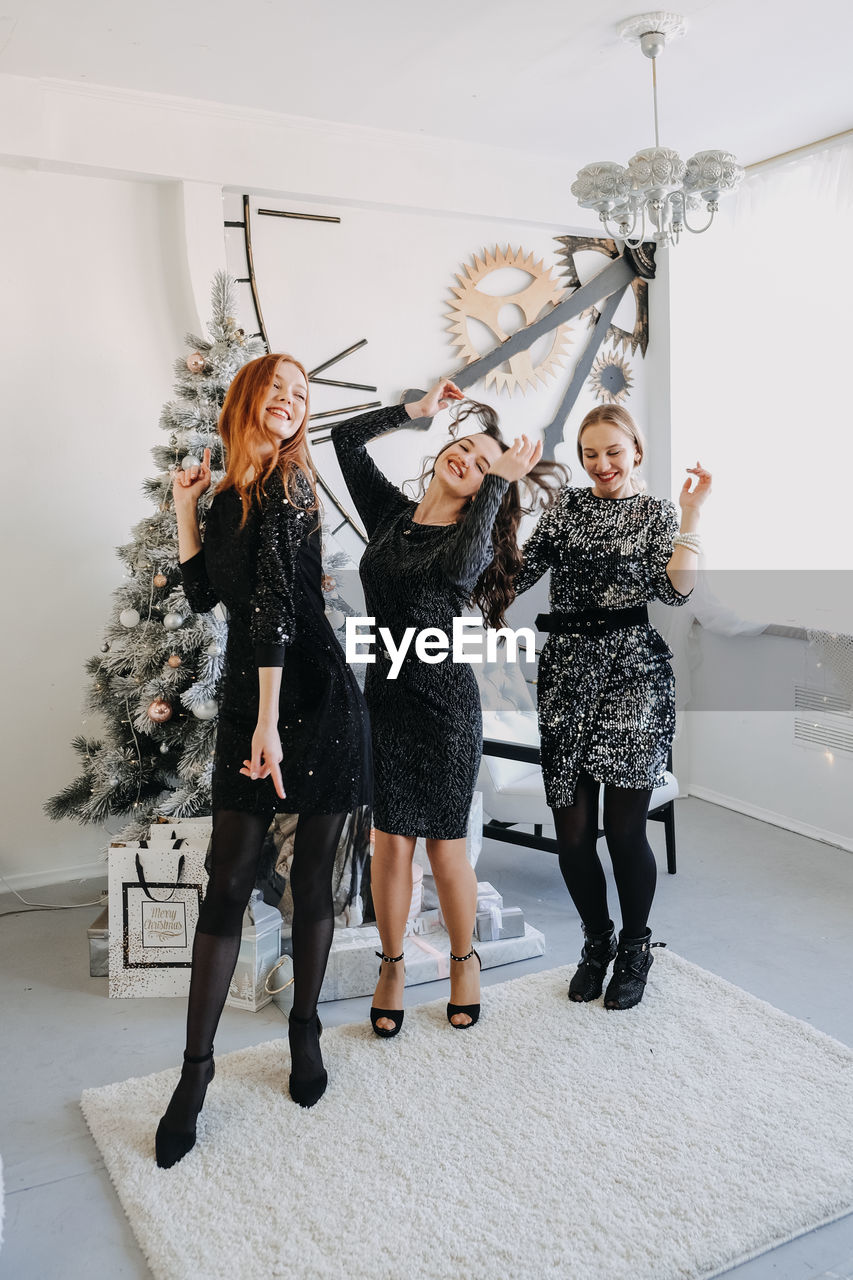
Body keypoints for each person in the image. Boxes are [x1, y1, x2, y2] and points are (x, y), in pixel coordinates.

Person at [156, 353, 372, 1168]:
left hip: (308, 696)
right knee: (229, 883)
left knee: (310, 880)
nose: (290, 403)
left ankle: (304, 1031)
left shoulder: (289, 484)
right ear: (247, 397)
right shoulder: (229, 495)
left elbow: (282, 606)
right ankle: (195, 1073)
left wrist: (271, 722)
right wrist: (185, 508)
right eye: (277, 389)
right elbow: (210, 597)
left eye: (301, 396)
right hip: (259, 699)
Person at [332, 381, 561, 1035]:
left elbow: (460, 570)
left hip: (443, 709)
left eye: (482, 462)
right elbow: (344, 440)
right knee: (388, 847)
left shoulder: (474, 538)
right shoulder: (389, 517)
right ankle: (393, 966)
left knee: (444, 850)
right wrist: (412, 412)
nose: (465, 457)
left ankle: (465, 962)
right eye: (461, 446)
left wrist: (498, 482)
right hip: (386, 703)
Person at [513, 403, 710, 1009]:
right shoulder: (563, 511)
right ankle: (596, 943)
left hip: (633, 675)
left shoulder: (654, 515)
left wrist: (691, 515)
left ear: (636, 452)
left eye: (613, 452)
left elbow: (676, 591)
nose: (602, 465)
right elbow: (513, 577)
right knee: (573, 836)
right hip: (568, 674)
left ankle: (636, 947)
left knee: (624, 831)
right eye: (590, 454)